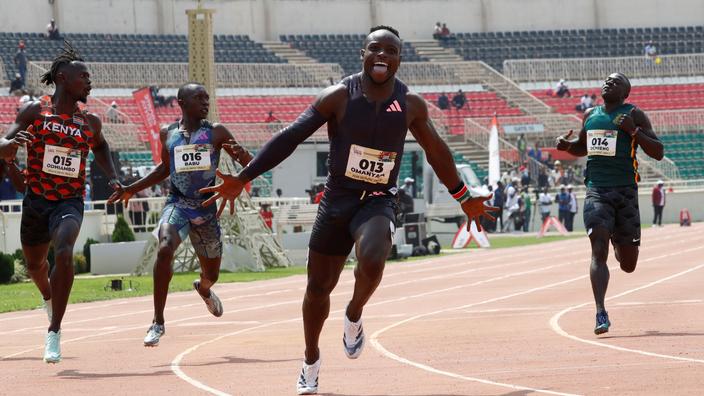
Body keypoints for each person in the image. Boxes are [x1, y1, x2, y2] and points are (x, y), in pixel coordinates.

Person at [196, 26, 498, 395]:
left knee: (373, 257)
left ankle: (354, 313)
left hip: (378, 200)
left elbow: (436, 151)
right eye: (376, 49)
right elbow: (291, 136)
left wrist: (463, 195)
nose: (383, 56)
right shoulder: (338, 96)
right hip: (337, 201)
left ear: (400, 59)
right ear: (363, 54)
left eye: (391, 50)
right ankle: (310, 360)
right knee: (317, 289)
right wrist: (244, 177)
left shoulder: (410, 105)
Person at [0, 43, 121, 363]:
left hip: (69, 201)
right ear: (63, 78)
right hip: (36, 201)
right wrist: (11, 145)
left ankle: (54, 331)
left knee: (65, 250)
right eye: (84, 76)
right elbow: (3, 144)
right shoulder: (34, 112)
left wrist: (112, 177)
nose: (90, 82)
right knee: (36, 266)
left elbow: (102, 148)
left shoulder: (90, 122)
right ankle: (47, 297)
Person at [108, 83, 252, 347]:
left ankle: (204, 289)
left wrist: (240, 169)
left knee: (212, 275)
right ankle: (157, 322)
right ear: (182, 102)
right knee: (164, 249)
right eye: (199, 97)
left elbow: (251, 164)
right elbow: (165, 169)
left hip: (207, 209)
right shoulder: (168, 133)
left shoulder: (216, 131)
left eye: (207, 98)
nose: (205, 102)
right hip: (178, 203)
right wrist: (131, 188)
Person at [555, 72, 663, 335]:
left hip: (625, 193)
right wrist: (567, 146)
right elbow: (583, 147)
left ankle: (619, 239)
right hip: (597, 191)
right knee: (597, 248)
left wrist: (634, 131)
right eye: (607, 80)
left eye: (616, 82)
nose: (608, 83)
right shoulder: (591, 115)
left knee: (628, 264)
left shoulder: (634, 114)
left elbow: (658, 152)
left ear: (625, 93)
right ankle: (600, 312)